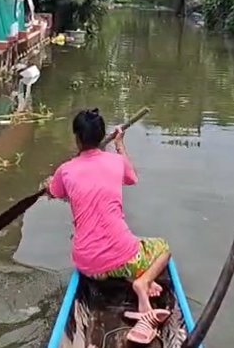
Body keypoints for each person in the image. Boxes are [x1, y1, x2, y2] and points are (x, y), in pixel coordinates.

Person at [45, 108, 172, 343]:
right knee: (163, 248)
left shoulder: (65, 170)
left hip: (87, 265)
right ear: (102, 135)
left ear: (77, 138)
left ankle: (135, 279)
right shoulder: (115, 162)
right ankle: (142, 282)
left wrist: (48, 186)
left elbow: (54, 192)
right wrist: (120, 144)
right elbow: (132, 178)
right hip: (122, 256)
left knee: (115, 256)